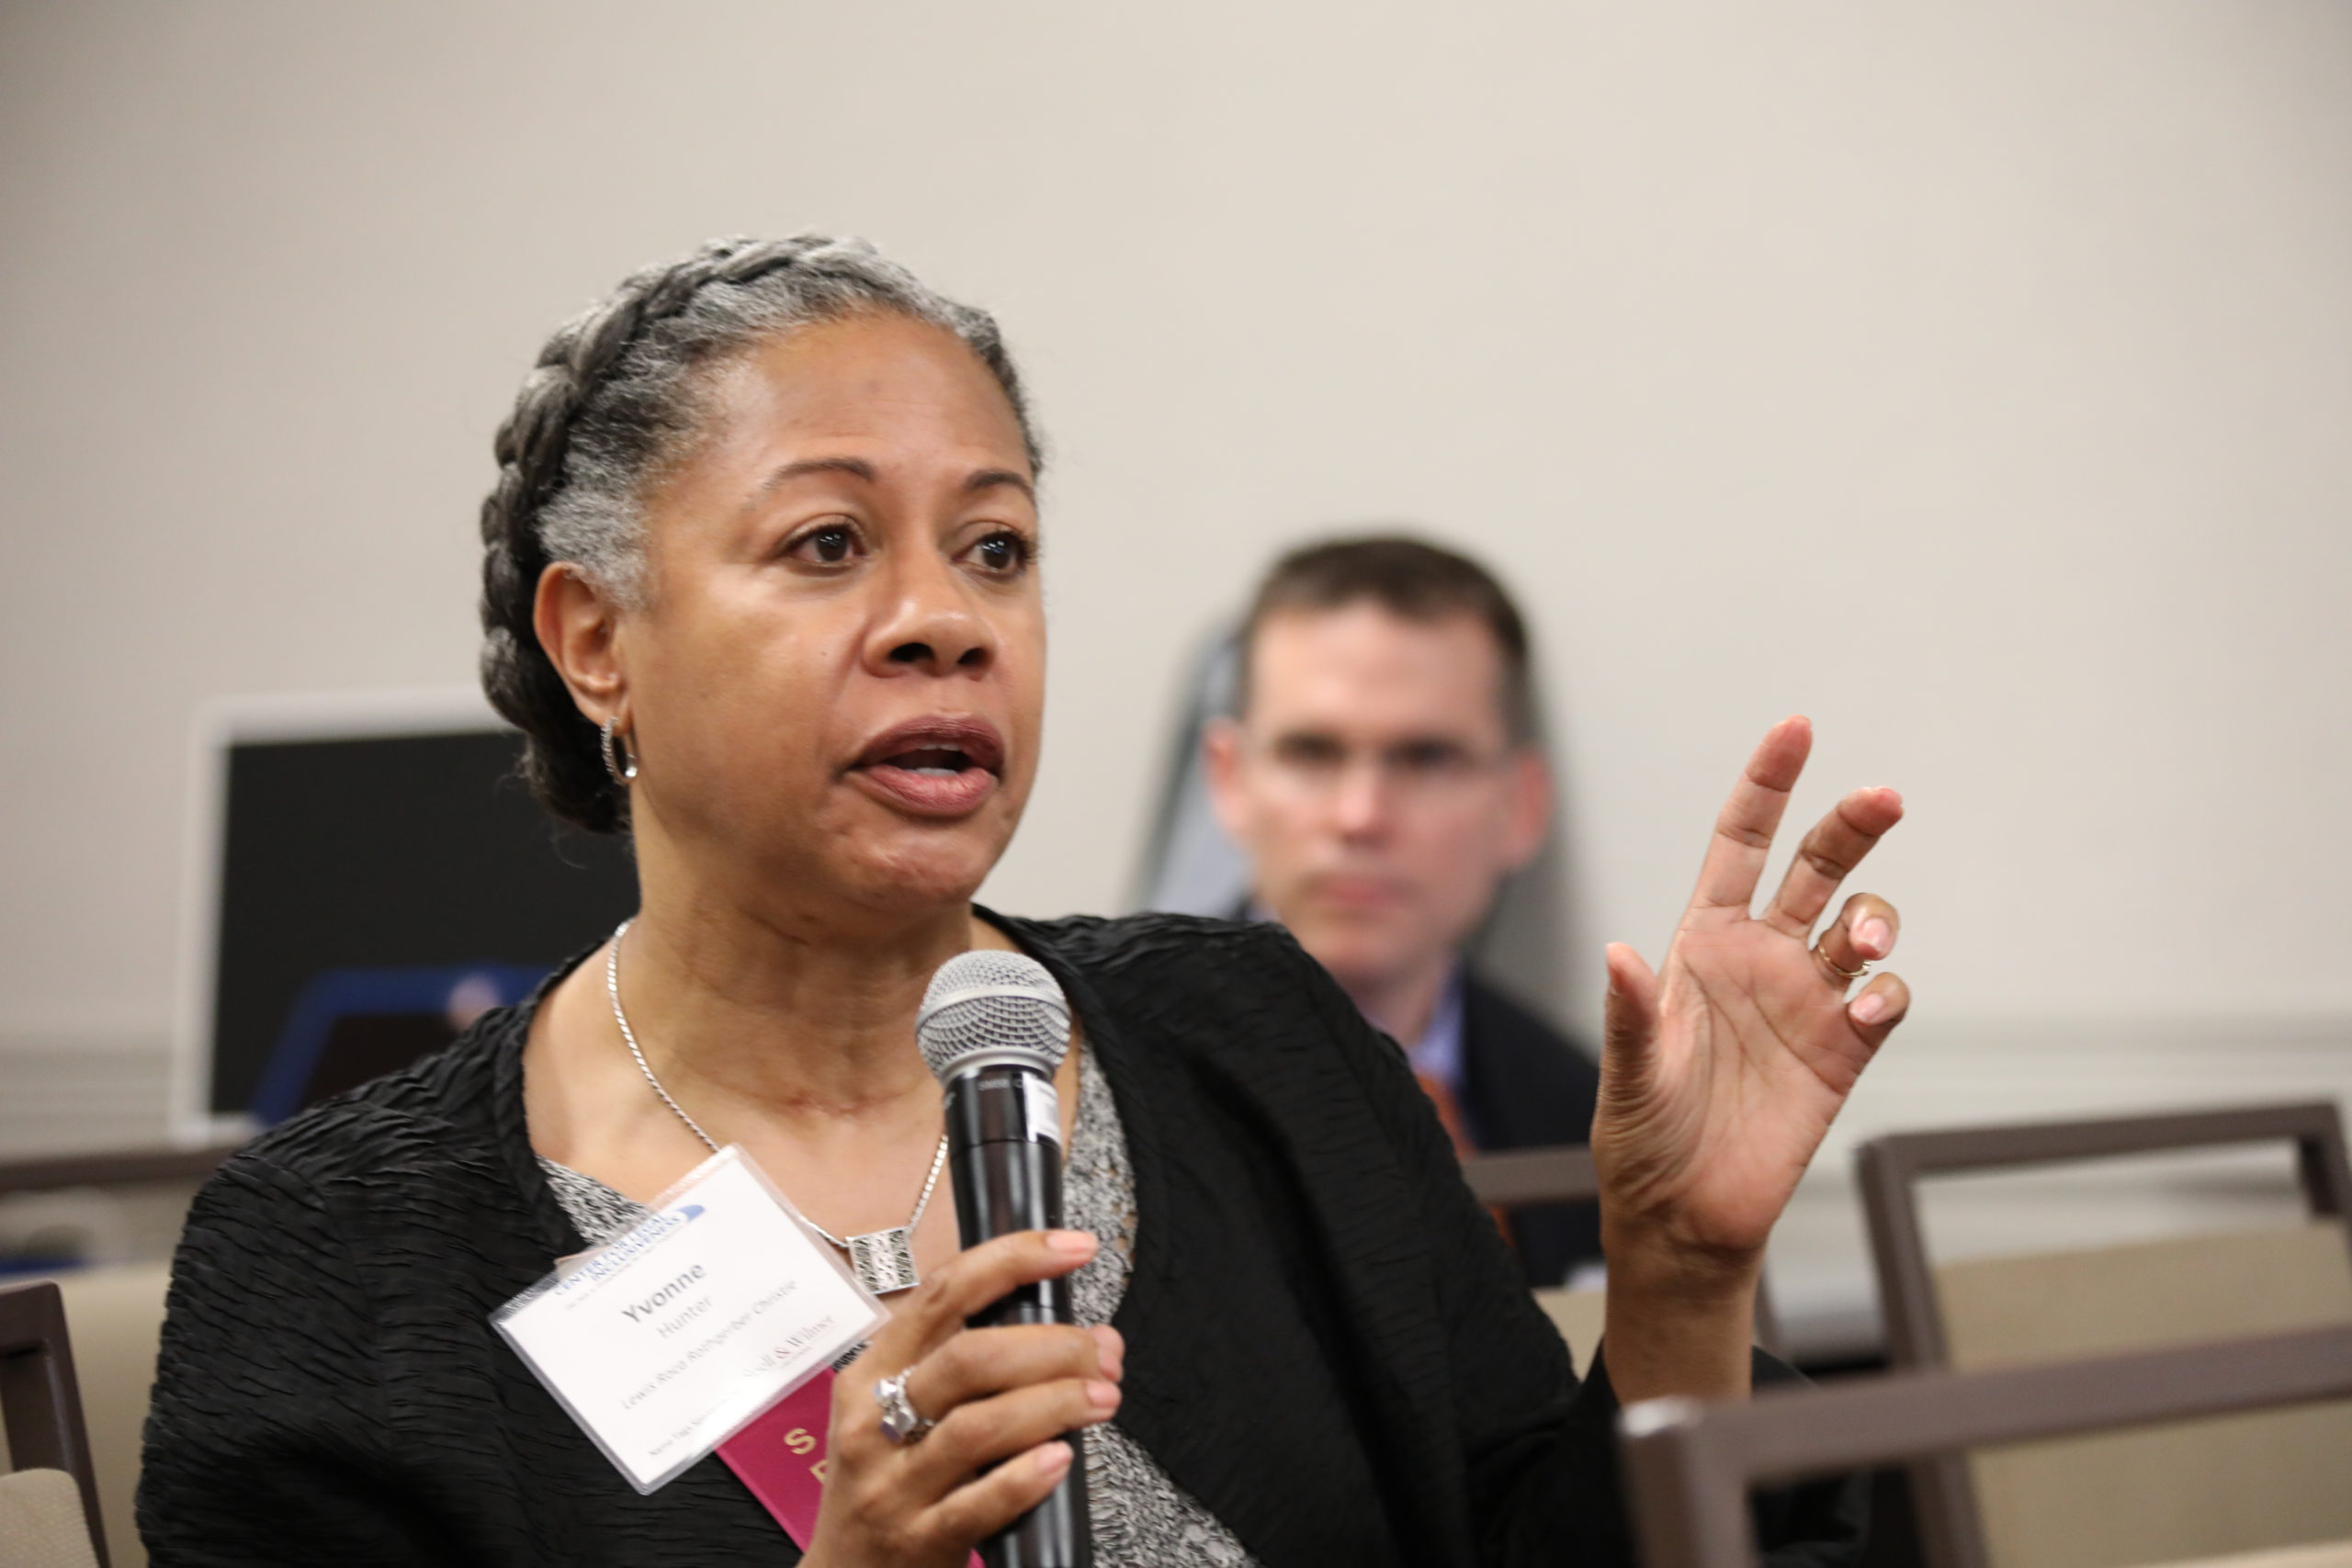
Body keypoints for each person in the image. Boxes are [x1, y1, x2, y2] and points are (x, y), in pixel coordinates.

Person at [139, 235, 1910, 1568]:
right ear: (597, 639)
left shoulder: (1258, 1041)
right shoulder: (335, 1260)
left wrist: (1679, 1280)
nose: (948, 619)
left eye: (996, 547)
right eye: (830, 544)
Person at [1204, 536, 1605, 1287]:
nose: (1361, 815)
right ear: (1229, 781)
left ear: (1522, 807)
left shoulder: (1589, 1113)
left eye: (1426, 757)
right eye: (1312, 751)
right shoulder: (1102, 1077)